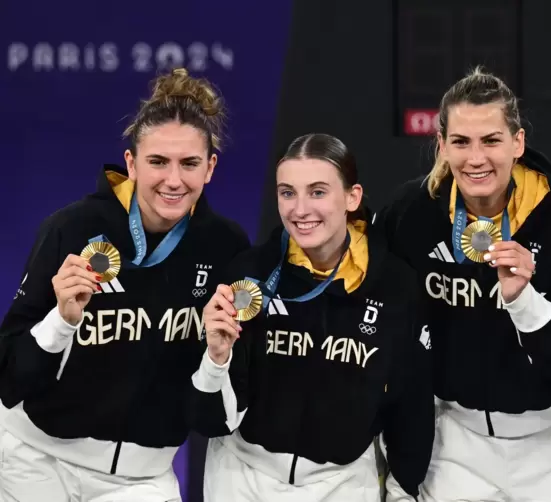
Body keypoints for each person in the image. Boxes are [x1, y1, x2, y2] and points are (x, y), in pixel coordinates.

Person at [0, 68, 250, 501]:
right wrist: (60, 321)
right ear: (132, 162)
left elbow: (217, 416)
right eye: (157, 162)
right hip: (35, 462)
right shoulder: (72, 228)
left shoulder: (225, 246)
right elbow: (8, 379)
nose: (173, 180)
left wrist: (217, 356)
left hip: (142, 479)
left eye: (189, 163)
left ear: (210, 167)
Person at [376, 67, 551, 501]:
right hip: (454, 442)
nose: (476, 159)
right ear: (441, 145)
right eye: (460, 142)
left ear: (518, 142)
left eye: (491, 140)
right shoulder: (410, 214)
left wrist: (526, 299)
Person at [189, 133, 434, 502]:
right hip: (242, 480)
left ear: (352, 197)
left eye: (317, 192)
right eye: (287, 193)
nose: (300, 209)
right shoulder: (250, 273)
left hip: (343, 485)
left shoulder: (395, 286)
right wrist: (216, 358)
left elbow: (410, 406)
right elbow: (210, 420)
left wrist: (403, 491)